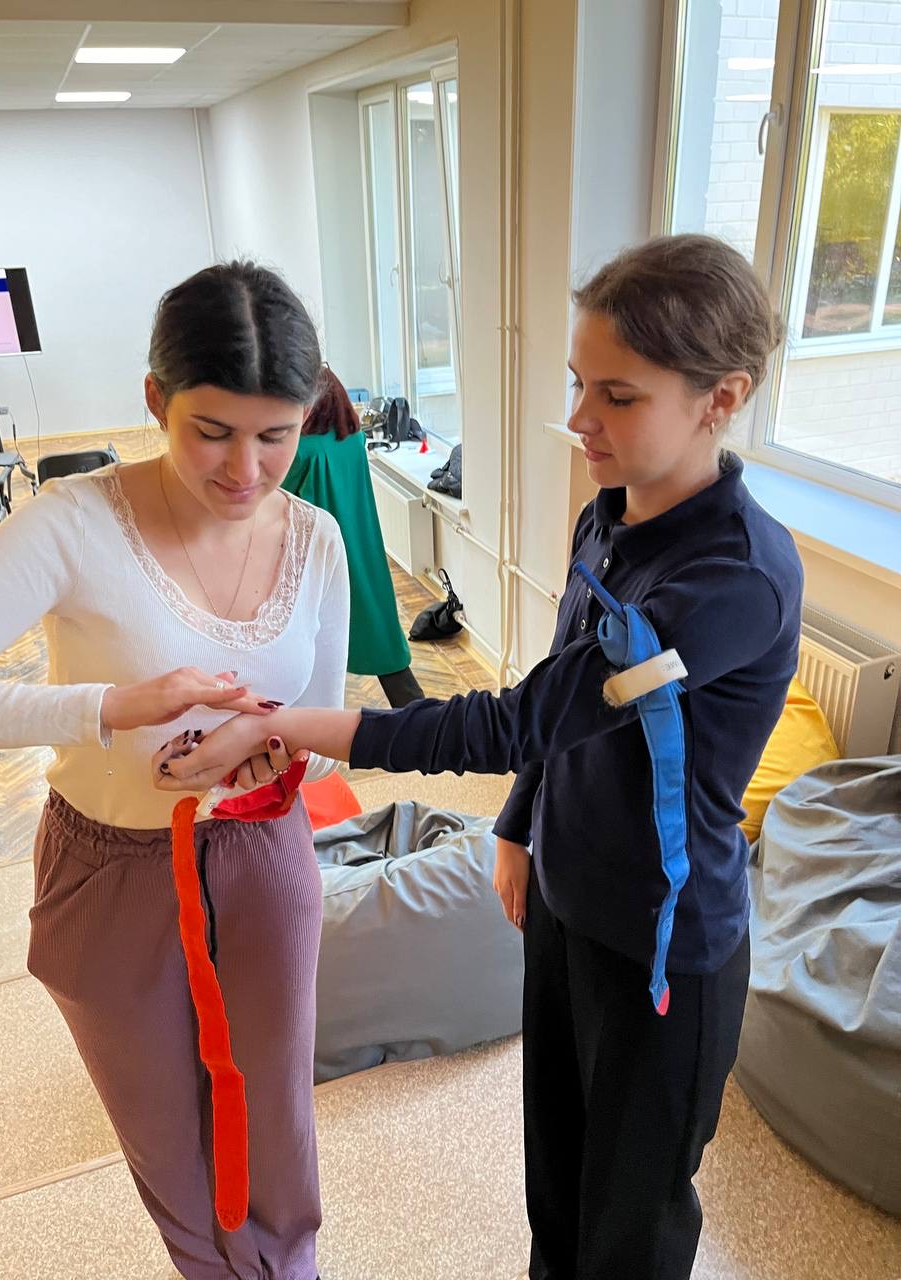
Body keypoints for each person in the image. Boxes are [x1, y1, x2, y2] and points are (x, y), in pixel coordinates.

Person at [156, 235, 804, 1280]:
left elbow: (516, 720)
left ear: (720, 398)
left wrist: (295, 725)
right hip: (565, 902)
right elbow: (569, 699)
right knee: (558, 1182)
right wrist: (517, 824)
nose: (580, 419)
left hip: (663, 945)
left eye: (618, 397)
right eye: (578, 383)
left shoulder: (736, 578)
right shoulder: (610, 514)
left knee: (629, 1222)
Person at [0, 262, 349, 1280]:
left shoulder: (317, 539)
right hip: (111, 865)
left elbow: (321, 723)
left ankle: (289, 1268)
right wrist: (105, 709)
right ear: (156, 397)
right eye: (212, 431)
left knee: (276, 1116)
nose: (246, 470)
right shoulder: (71, 522)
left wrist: (258, 743)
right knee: (166, 1135)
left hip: (263, 851)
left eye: (276, 435)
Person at [281, 366, 424, 707]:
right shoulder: (354, 440)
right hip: (361, 541)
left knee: (314, 640)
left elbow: (278, 499)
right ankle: (419, 715)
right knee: (379, 630)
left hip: (316, 554)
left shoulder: (301, 452)